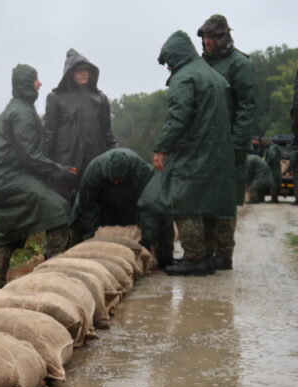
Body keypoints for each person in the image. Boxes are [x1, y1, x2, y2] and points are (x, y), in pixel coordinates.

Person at [143, 30, 235, 277]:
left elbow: (178, 117)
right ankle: (207, 257)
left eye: (169, 61)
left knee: (185, 202)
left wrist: (161, 148)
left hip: (195, 149)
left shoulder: (184, 78)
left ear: (176, 57)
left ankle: (194, 259)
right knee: (209, 203)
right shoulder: (213, 75)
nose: (168, 68)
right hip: (219, 150)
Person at [0, 64, 77, 289]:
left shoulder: (20, 108)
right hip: (10, 178)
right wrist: (59, 170)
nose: (40, 83)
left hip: (2, 179)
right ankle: (52, 273)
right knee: (59, 211)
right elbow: (30, 155)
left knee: (7, 233)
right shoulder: (21, 113)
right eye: (36, 79)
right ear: (27, 83)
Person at [197, 14, 256, 270]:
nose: (207, 42)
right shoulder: (201, 64)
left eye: (211, 37)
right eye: (204, 37)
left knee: (225, 200)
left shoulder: (240, 64)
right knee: (203, 198)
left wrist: (236, 144)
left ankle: (224, 254)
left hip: (230, 143)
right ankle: (206, 251)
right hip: (203, 144)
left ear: (223, 37)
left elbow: (246, 106)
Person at [70, 147, 174, 267]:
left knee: (162, 212)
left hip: (133, 203)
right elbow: (88, 207)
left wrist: (146, 240)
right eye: (113, 180)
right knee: (78, 216)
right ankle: (77, 254)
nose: (116, 183)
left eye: (120, 180)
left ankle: (165, 258)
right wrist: (90, 236)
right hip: (105, 205)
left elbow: (148, 207)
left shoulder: (140, 170)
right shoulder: (93, 172)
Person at [42, 49, 117, 204]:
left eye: (86, 70)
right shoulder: (55, 98)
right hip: (66, 164)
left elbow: (108, 133)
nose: (83, 73)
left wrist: (118, 156)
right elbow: (49, 134)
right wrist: (47, 165)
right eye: (79, 70)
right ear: (70, 73)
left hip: (95, 162)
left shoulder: (100, 98)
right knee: (65, 209)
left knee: (94, 206)